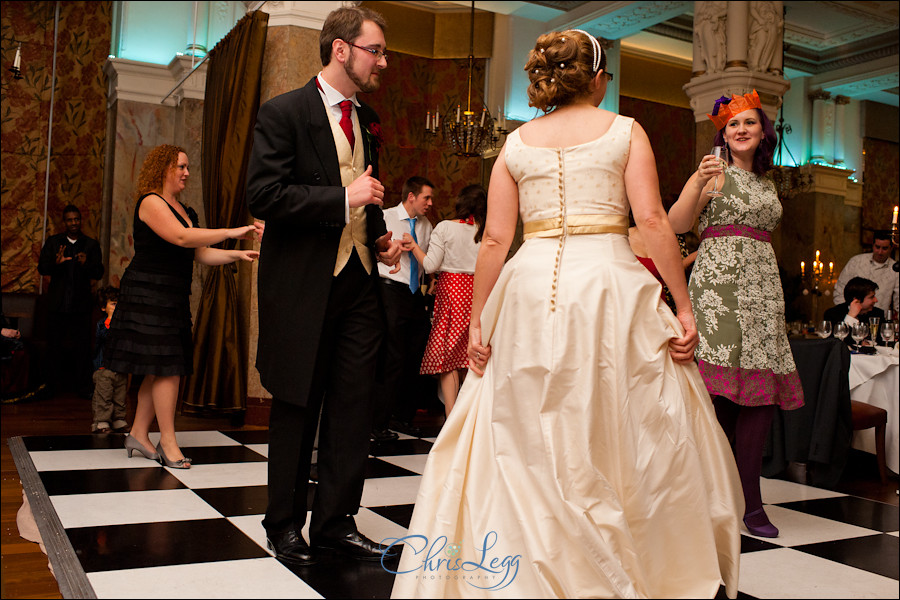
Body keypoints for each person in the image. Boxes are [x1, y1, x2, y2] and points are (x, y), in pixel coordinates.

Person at [390, 30, 742, 599]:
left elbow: (495, 240)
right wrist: (682, 305)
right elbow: (653, 223)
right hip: (608, 283)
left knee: (525, 417)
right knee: (615, 416)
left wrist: (478, 319)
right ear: (598, 78)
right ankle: (633, 555)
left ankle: (529, 547)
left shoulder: (516, 142)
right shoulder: (626, 131)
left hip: (529, 286)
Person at [246, 5, 401, 568]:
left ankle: (335, 521)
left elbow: (369, 195)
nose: (383, 61)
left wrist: (379, 236)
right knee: (297, 404)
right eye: (375, 50)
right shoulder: (283, 112)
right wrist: (343, 201)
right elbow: (264, 195)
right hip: (304, 288)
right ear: (342, 49)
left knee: (353, 407)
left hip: (359, 283)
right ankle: (283, 524)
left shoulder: (367, 121)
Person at [668, 90, 805, 540]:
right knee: (720, 399)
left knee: (760, 399)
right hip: (719, 291)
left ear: (762, 131)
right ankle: (718, 498)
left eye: (749, 122)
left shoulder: (768, 181)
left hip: (764, 293)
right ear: (722, 135)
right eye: (732, 125)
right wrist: (695, 181)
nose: (741, 130)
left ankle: (746, 499)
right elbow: (676, 225)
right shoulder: (714, 173)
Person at [105, 144, 261, 469]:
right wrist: (233, 230)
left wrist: (236, 254)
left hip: (173, 297)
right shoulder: (151, 202)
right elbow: (180, 238)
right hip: (148, 293)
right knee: (169, 367)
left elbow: (199, 252)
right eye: (181, 167)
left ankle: (137, 432)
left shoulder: (187, 210)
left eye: (187, 167)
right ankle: (168, 440)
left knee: (160, 366)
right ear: (164, 168)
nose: (187, 173)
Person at [402, 184, 486, 417]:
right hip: (478, 296)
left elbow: (430, 265)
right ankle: (470, 418)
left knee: (448, 360)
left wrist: (414, 246)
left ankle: (451, 418)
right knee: (471, 357)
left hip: (453, 296)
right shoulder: (486, 232)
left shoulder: (446, 228)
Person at [372, 176, 434, 442]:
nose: (430, 203)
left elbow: (426, 260)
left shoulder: (427, 226)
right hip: (389, 290)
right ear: (411, 196)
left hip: (413, 294)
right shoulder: (385, 218)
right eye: (426, 198)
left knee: (415, 356)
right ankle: (377, 424)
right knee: (392, 357)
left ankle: (403, 417)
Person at [37, 204, 104, 396]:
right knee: (53, 348)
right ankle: (51, 388)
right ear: (64, 222)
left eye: (77, 219)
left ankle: (83, 388)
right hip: (57, 305)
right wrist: (55, 264)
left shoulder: (90, 245)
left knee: (83, 349)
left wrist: (86, 264)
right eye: (70, 220)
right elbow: (42, 268)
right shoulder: (54, 242)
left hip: (81, 306)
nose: (74, 223)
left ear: (80, 221)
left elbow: (99, 272)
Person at [90, 286, 129, 434]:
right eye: (113, 303)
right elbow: (104, 338)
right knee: (103, 395)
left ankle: (119, 418)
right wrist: (112, 322)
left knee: (120, 394)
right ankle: (101, 421)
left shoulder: (124, 325)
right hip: (104, 368)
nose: (117, 307)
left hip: (120, 367)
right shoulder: (102, 325)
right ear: (103, 307)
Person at [833, 231, 898, 316]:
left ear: (891, 248)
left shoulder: (895, 269)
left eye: (884, 248)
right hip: (851, 315)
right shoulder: (856, 262)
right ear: (872, 245)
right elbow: (839, 290)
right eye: (877, 247)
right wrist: (847, 314)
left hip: (878, 319)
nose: (880, 252)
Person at [824, 277, 884, 344]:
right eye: (871, 297)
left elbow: (881, 342)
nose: (876, 300)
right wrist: (850, 317)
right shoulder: (833, 314)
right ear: (856, 300)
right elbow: (835, 343)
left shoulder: (878, 313)